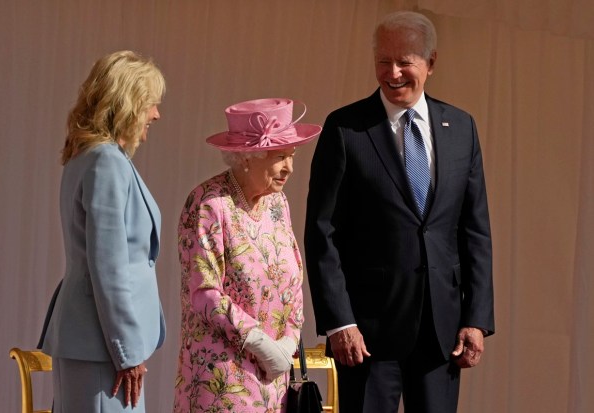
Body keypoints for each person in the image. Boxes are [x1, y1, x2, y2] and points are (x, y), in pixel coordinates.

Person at [304, 11, 495, 413]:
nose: (392, 73)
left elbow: (474, 230)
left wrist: (476, 318)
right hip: (367, 335)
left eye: (405, 61)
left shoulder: (461, 128)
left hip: (442, 331)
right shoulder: (346, 129)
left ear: (431, 63)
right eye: (383, 61)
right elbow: (322, 233)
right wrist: (340, 321)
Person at [173, 98, 322, 412]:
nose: (290, 168)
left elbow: (294, 274)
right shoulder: (209, 204)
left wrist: (289, 339)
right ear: (247, 158)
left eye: (292, 156)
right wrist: (259, 342)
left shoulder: (278, 203)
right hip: (224, 381)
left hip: (275, 380)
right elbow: (204, 293)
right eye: (280, 156)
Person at [40, 50, 167, 412]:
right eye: (151, 104)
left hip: (97, 344)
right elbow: (108, 267)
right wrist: (127, 352)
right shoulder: (106, 162)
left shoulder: (89, 157)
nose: (156, 114)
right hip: (103, 349)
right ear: (127, 104)